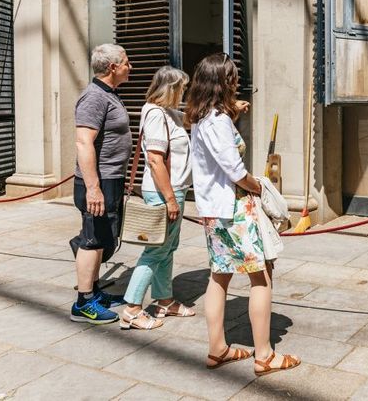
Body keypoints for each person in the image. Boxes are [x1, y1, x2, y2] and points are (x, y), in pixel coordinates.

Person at [185, 52, 300, 374]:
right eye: (233, 76)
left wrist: (232, 112)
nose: (237, 81)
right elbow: (235, 171)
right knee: (261, 277)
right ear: (224, 82)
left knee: (219, 276)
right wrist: (260, 188)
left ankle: (218, 348)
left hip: (212, 209)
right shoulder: (217, 122)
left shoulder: (199, 117)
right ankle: (264, 355)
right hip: (233, 209)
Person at [119, 66, 196, 330]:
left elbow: (193, 118)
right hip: (165, 191)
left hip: (174, 189)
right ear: (172, 88)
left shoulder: (170, 114)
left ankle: (165, 300)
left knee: (167, 248)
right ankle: (131, 308)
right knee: (155, 250)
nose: (184, 91)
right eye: (182, 87)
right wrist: (170, 199)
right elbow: (154, 159)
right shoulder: (154, 114)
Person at [70, 43, 132, 324]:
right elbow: (84, 142)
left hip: (110, 178)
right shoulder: (94, 97)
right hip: (98, 180)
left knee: (103, 237)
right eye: (126, 62)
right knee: (92, 239)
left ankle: (94, 292)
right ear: (113, 67)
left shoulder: (109, 94)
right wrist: (93, 187)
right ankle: (83, 303)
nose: (130, 67)